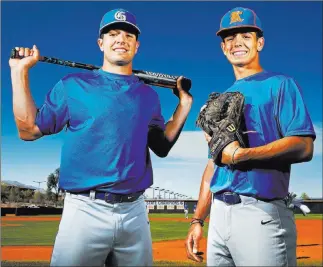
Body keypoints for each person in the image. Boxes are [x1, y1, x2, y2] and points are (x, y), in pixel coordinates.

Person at [9, 8, 192, 267]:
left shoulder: (148, 96)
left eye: (128, 35)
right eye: (113, 34)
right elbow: (28, 130)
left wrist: (183, 106)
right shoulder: (73, 85)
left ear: (136, 46)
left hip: (135, 212)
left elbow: (161, 146)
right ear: (101, 43)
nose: (121, 39)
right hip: (85, 210)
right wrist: (19, 72)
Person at [185, 7, 316, 266]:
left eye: (246, 35)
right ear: (223, 48)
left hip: (260, 214)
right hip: (220, 218)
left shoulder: (280, 84)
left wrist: (241, 155)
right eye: (230, 38)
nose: (237, 43)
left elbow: (304, 146)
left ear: (260, 43)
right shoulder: (221, 101)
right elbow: (213, 164)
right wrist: (198, 220)